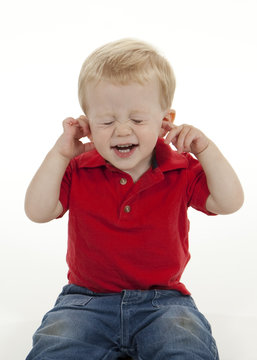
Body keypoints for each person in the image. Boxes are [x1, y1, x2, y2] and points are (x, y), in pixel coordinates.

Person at [25, 38, 244, 360]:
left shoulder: (181, 168)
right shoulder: (77, 167)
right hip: (85, 301)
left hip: (164, 302)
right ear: (86, 123)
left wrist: (206, 150)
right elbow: (37, 212)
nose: (122, 130)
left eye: (138, 120)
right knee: (57, 346)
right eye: (107, 121)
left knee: (184, 345)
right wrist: (60, 154)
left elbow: (229, 202)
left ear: (165, 120)